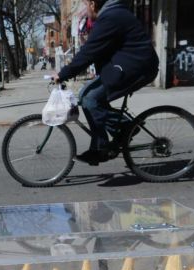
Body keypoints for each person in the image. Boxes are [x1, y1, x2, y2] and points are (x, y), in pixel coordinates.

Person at [53, 0, 158, 166]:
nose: (85, 10)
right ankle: (123, 128)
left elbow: (89, 52)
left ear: (93, 4)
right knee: (86, 94)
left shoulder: (110, 17)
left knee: (90, 98)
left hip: (137, 68)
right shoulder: (113, 14)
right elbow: (97, 50)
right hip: (128, 66)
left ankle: (103, 146)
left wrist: (63, 74)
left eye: (85, 5)